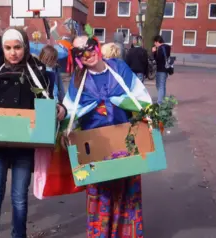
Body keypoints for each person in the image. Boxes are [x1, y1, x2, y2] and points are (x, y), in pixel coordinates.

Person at [0, 28, 66, 238]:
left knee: (19, 197)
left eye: (17, 47)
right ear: (2, 48)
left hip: (24, 143)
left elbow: (49, 98)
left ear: (25, 46)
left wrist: (60, 108)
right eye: (8, 48)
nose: (13, 52)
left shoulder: (37, 70)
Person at [65, 35, 152, 237]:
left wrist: (152, 119)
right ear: (77, 58)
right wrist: (61, 114)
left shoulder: (119, 69)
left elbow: (141, 98)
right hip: (95, 147)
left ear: (98, 46)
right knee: (101, 197)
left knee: (127, 196)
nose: (87, 54)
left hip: (126, 143)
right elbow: (70, 111)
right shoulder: (79, 80)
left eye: (90, 47)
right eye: (80, 52)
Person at [152, 35, 171, 104]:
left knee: (160, 86)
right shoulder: (167, 47)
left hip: (161, 70)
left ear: (157, 42)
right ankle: (163, 100)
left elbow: (158, 60)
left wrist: (154, 52)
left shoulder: (160, 48)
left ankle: (160, 102)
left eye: (155, 42)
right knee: (162, 86)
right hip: (165, 69)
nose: (154, 44)